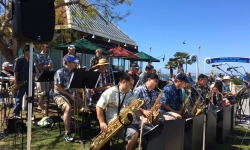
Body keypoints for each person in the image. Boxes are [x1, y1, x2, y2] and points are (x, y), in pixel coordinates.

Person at [96, 73, 148, 150]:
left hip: (128, 122)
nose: (132, 87)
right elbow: (99, 106)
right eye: (130, 84)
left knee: (149, 130)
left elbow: (136, 109)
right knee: (133, 133)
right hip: (115, 124)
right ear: (123, 82)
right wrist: (102, 122)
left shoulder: (130, 95)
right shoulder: (110, 92)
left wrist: (142, 118)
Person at [54, 55, 84, 142]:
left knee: (82, 104)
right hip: (59, 95)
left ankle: (66, 117)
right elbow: (57, 87)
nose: (75, 64)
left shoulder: (73, 73)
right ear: (68, 63)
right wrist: (69, 95)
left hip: (70, 95)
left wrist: (76, 94)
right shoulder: (60, 72)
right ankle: (67, 133)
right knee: (68, 108)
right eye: (74, 62)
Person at [13, 45, 36, 119]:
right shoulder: (19, 60)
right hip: (21, 82)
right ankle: (16, 114)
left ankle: (29, 114)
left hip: (30, 82)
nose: (31, 54)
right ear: (26, 51)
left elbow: (33, 71)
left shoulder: (31, 60)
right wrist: (16, 82)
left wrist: (33, 80)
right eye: (30, 52)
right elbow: (16, 72)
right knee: (19, 98)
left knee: (31, 99)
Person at [34, 44, 54, 112]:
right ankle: (40, 105)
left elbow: (51, 66)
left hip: (47, 77)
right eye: (47, 47)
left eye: (48, 47)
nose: (48, 49)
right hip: (40, 77)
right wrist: (47, 66)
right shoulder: (38, 56)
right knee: (40, 92)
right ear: (42, 47)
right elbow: (37, 67)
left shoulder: (48, 57)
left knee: (47, 92)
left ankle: (46, 106)